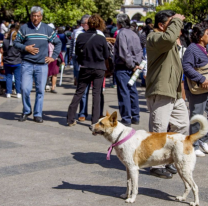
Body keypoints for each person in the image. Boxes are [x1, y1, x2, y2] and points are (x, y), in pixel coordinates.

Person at [145, 10, 189, 179]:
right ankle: (156, 165)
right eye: (173, 23)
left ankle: (169, 159)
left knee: (182, 125)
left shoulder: (168, 41)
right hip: (161, 90)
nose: (178, 27)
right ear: (162, 25)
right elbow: (169, 38)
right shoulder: (154, 37)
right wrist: (177, 20)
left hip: (174, 91)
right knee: (159, 128)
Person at [14, 6, 61, 123]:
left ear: (41, 17)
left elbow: (58, 43)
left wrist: (53, 57)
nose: (35, 18)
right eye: (34, 16)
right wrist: (25, 48)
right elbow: (15, 43)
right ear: (31, 16)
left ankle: (37, 114)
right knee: (25, 88)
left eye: (38, 16)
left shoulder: (47, 29)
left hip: (42, 65)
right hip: (27, 63)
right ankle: (26, 111)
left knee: (40, 90)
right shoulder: (24, 28)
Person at [67, 14, 109, 126]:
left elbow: (77, 54)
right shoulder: (101, 38)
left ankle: (70, 118)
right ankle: (94, 121)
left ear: (88, 24)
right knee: (96, 94)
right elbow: (106, 54)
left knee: (79, 92)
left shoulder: (80, 36)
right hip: (99, 68)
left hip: (85, 67)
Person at [183, 21, 208, 157]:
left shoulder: (205, 48)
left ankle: (204, 139)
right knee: (197, 116)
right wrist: (201, 78)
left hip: (206, 88)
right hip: (198, 88)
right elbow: (186, 67)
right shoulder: (192, 49)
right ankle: (194, 144)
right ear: (200, 35)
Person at [114, 14, 143, 127]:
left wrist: (132, 64)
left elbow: (123, 52)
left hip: (124, 67)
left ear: (119, 24)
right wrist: (136, 63)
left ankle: (126, 118)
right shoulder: (134, 34)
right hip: (132, 66)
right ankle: (135, 116)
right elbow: (139, 51)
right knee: (132, 91)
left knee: (124, 93)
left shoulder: (122, 34)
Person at [3, 26, 22, 98]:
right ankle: (18, 92)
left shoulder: (5, 42)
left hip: (7, 62)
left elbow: (4, 50)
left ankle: (8, 92)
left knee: (8, 77)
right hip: (17, 62)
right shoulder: (18, 42)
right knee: (18, 78)